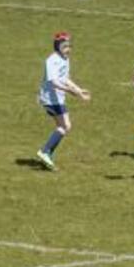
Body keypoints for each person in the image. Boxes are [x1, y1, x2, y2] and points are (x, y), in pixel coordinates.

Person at [35, 32, 91, 171]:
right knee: (65, 126)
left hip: (58, 98)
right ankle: (45, 151)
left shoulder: (65, 59)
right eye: (65, 46)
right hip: (50, 98)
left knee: (65, 126)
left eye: (69, 46)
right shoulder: (52, 60)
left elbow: (65, 79)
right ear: (57, 46)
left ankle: (47, 154)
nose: (68, 49)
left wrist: (79, 89)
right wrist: (73, 92)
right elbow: (54, 82)